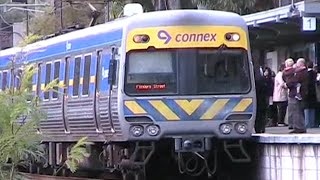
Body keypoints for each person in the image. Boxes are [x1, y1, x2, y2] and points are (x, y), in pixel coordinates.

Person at [285, 58, 308, 133]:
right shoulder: (301, 72)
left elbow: (293, 81)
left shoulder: (301, 72)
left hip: (296, 94)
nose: (296, 65)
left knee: (296, 110)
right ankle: (299, 126)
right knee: (297, 110)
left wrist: (288, 84)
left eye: (297, 63)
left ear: (301, 64)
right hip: (298, 93)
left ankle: (299, 127)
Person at [253, 62, 268, 133]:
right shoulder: (258, 78)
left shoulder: (261, 78)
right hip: (259, 98)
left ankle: (261, 127)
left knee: (262, 114)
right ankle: (259, 128)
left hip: (262, 98)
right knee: (259, 114)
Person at [304, 61, 317, 128]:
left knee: (306, 108)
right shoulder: (315, 73)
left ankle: (307, 123)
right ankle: (312, 123)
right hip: (313, 93)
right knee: (312, 108)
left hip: (306, 92)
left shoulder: (305, 74)